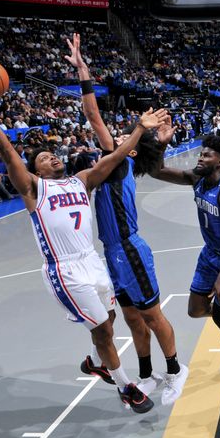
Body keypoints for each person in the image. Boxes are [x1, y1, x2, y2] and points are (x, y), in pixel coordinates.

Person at [0, 80, 167, 414]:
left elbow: (115, 157)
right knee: (102, 330)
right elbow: (5, 150)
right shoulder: (32, 189)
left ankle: (99, 363)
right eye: (43, 157)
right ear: (34, 170)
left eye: (53, 154)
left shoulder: (80, 181)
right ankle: (125, 386)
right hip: (65, 269)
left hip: (92, 262)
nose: (51, 157)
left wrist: (139, 129)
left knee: (110, 319)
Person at [65, 33, 188, 404]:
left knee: (151, 316)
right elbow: (146, 154)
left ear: (128, 148)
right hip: (114, 252)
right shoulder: (119, 166)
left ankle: (176, 371)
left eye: (121, 138)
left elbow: (91, 115)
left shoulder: (118, 164)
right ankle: (148, 375)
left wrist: (84, 72)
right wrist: (160, 141)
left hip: (130, 249)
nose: (114, 138)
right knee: (133, 320)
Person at [151, 135, 220, 377]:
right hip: (210, 252)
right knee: (195, 310)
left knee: (218, 314)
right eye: (201, 154)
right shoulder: (196, 178)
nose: (201, 157)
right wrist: (163, 143)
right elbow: (157, 171)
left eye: (207, 155)